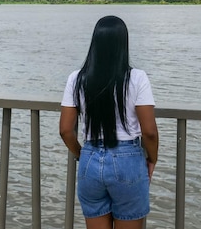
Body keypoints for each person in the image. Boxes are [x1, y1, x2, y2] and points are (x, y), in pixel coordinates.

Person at [60, 15, 159, 229]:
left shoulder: (77, 79)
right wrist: (152, 158)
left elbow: (66, 131)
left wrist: (82, 155)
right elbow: (149, 131)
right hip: (128, 162)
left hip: (90, 160)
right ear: (123, 44)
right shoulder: (137, 78)